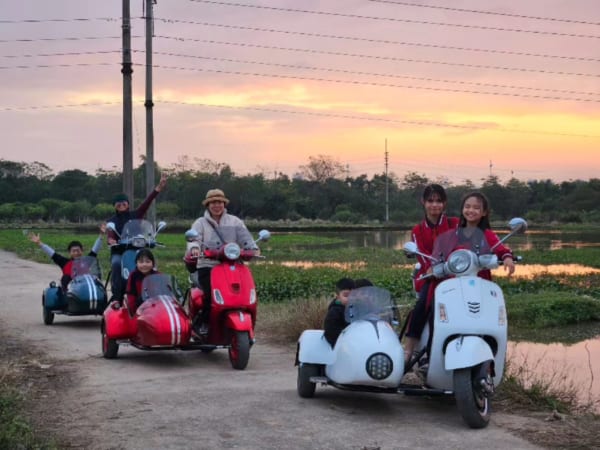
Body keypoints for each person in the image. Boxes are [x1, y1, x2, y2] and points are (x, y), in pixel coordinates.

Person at [403, 184, 459, 364]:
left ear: (444, 203)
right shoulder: (417, 231)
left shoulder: (455, 224)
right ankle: (410, 349)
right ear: (423, 202)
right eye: (430, 201)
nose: (434, 205)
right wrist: (433, 270)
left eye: (439, 201)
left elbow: (462, 248)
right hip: (432, 278)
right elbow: (422, 256)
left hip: (456, 277)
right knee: (423, 307)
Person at [186, 188, 251, 333]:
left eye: (220, 202)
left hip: (233, 265)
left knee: (244, 292)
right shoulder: (200, 223)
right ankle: (203, 323)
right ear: (208, 205)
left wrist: (252, 247)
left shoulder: (235, 221)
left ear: (224, 203)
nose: (217, 205)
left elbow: (246, 239)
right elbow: (193, 239)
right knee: (212, 295)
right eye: (213, 202)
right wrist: (195, 248)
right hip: (208, 265)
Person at [106, 172, 167, 301]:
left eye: (124, 202)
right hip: (119, 251)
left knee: (151, 263)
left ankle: (157, 292)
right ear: (114, 206)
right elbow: (110, 233)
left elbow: (147, 202)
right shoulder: (112, 220)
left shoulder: (136, 215)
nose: (121, 204)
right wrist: (111, 240)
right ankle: (117, 296)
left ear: (128, 204)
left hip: (137, 248)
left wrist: (158, 189)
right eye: (118, 203)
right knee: (116, 264)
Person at [29, 223, 106, 291]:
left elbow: (95, 250)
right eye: (74, 251)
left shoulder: (86, 261)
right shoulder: (64, 262)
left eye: (78, 250)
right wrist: (39, 243)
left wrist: (101, 235)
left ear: (82, 251)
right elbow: (52, 253)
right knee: (66, 277)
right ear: (70, 253)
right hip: (70, 291)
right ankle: (64, 294)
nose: (76, 253)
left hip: (85, 289)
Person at [457, 191, 515, 280]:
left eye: (476, 208)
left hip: (481, 281)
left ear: (484, 212)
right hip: (456, 281)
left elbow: (501, 250)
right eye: (467, 207)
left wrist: (507, 258)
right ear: (462, 209)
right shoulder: (454, 233)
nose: (471, 210)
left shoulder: (487, 234)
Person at [125, 248, 159, 316]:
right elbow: (130, 295)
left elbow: (165, 293)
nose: (144, 264)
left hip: (156, 307)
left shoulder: (157, 275)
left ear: (153, 263)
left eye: (148, 261)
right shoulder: (133, 276)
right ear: (136, 263)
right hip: (139, 308)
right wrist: (134, 311)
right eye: (141, 262)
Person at [323, 277, 356, 348]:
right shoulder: (335, 311)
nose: (350, 298)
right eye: (346, 295)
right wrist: (345, 337)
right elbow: (331, 330)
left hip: (355, 343)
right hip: (341, 345)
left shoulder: (357, 308)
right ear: (338, 296)